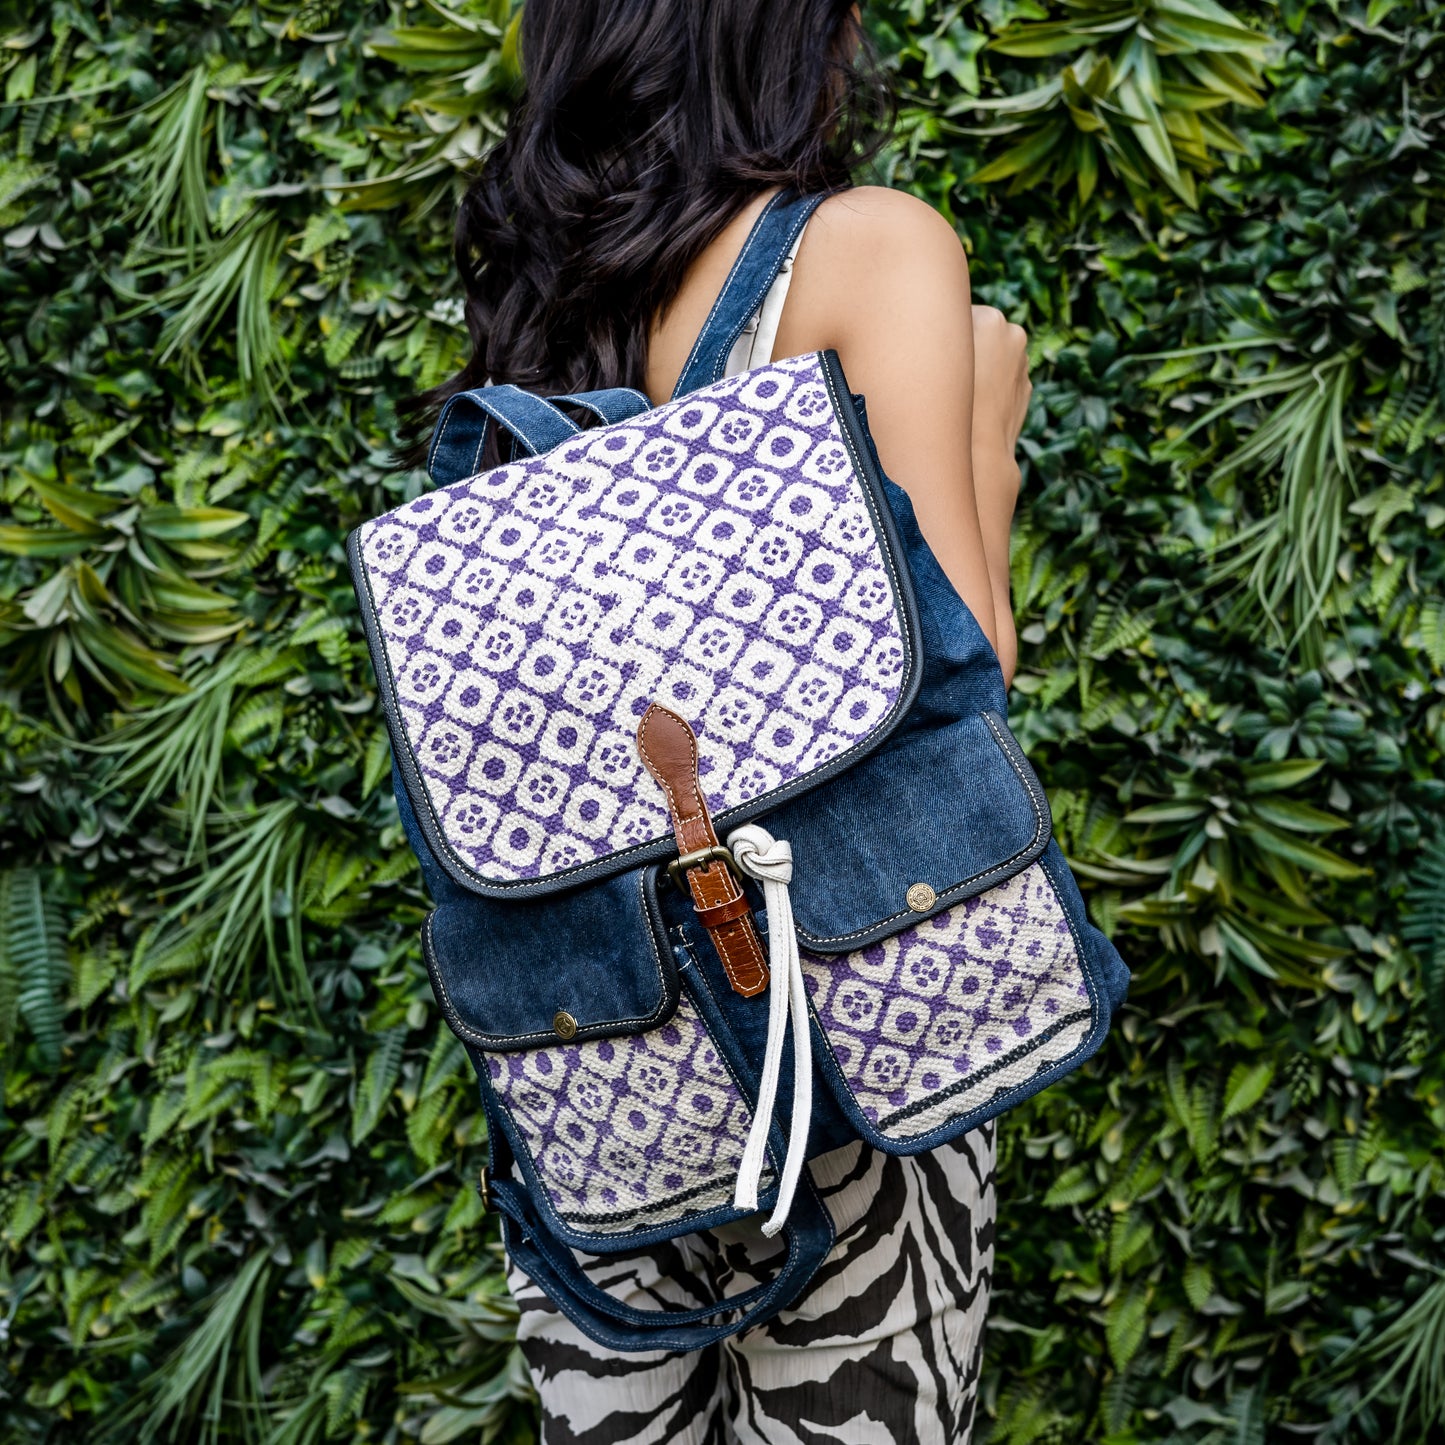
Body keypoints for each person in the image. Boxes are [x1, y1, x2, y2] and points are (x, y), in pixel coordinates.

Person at [408, 2, 1032, 1440]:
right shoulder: (866, 251)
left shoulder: (542, 307)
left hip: (594, 1058)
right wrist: (987, 439)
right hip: (852, 1041)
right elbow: (960, 678)